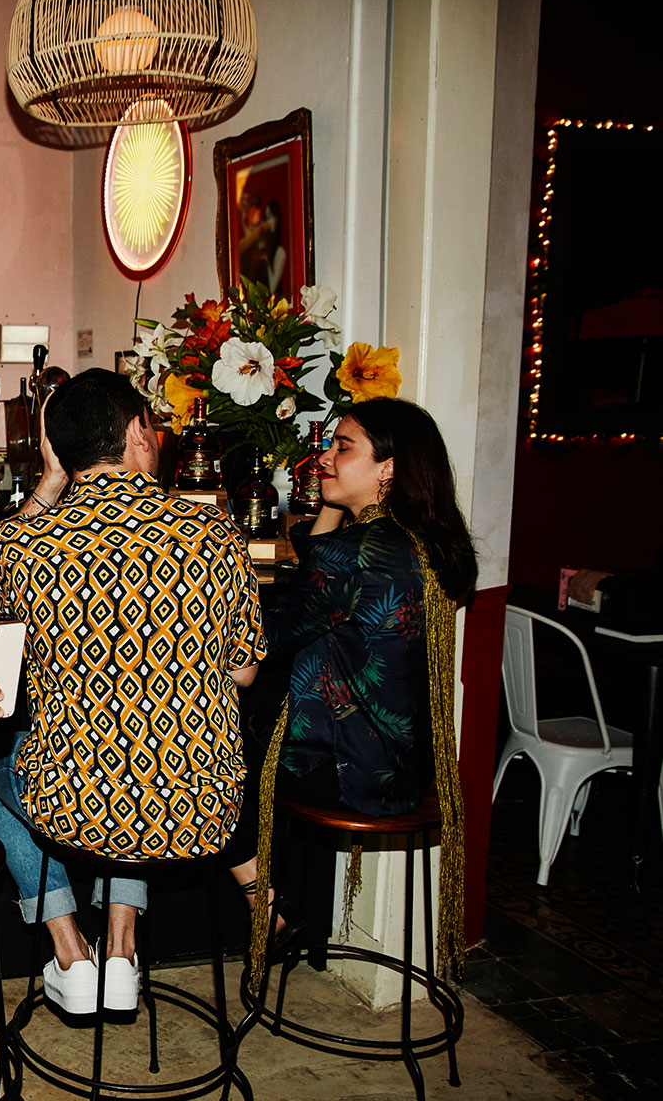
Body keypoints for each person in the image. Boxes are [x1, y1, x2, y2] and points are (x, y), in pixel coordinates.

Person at [0, 368, 264, 1016]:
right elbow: (245, 674)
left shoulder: (19, 548)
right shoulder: (216, 535)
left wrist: (51, 483)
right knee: (139, 743)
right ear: (138, 431)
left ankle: (70, 945)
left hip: (74, 812)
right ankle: (123, 946)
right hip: (202, 810)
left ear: (57, 451)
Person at [232, 398, 476, 984]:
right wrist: (332, 511)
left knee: (198, 763)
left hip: (347, 773)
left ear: (388, 470)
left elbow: (273, 632)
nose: (324, 458)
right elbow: (318, 577)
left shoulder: (354, 555)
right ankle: (283, 909)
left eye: (344, 448)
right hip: (408, 767)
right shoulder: (426, 542)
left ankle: (271, 912)